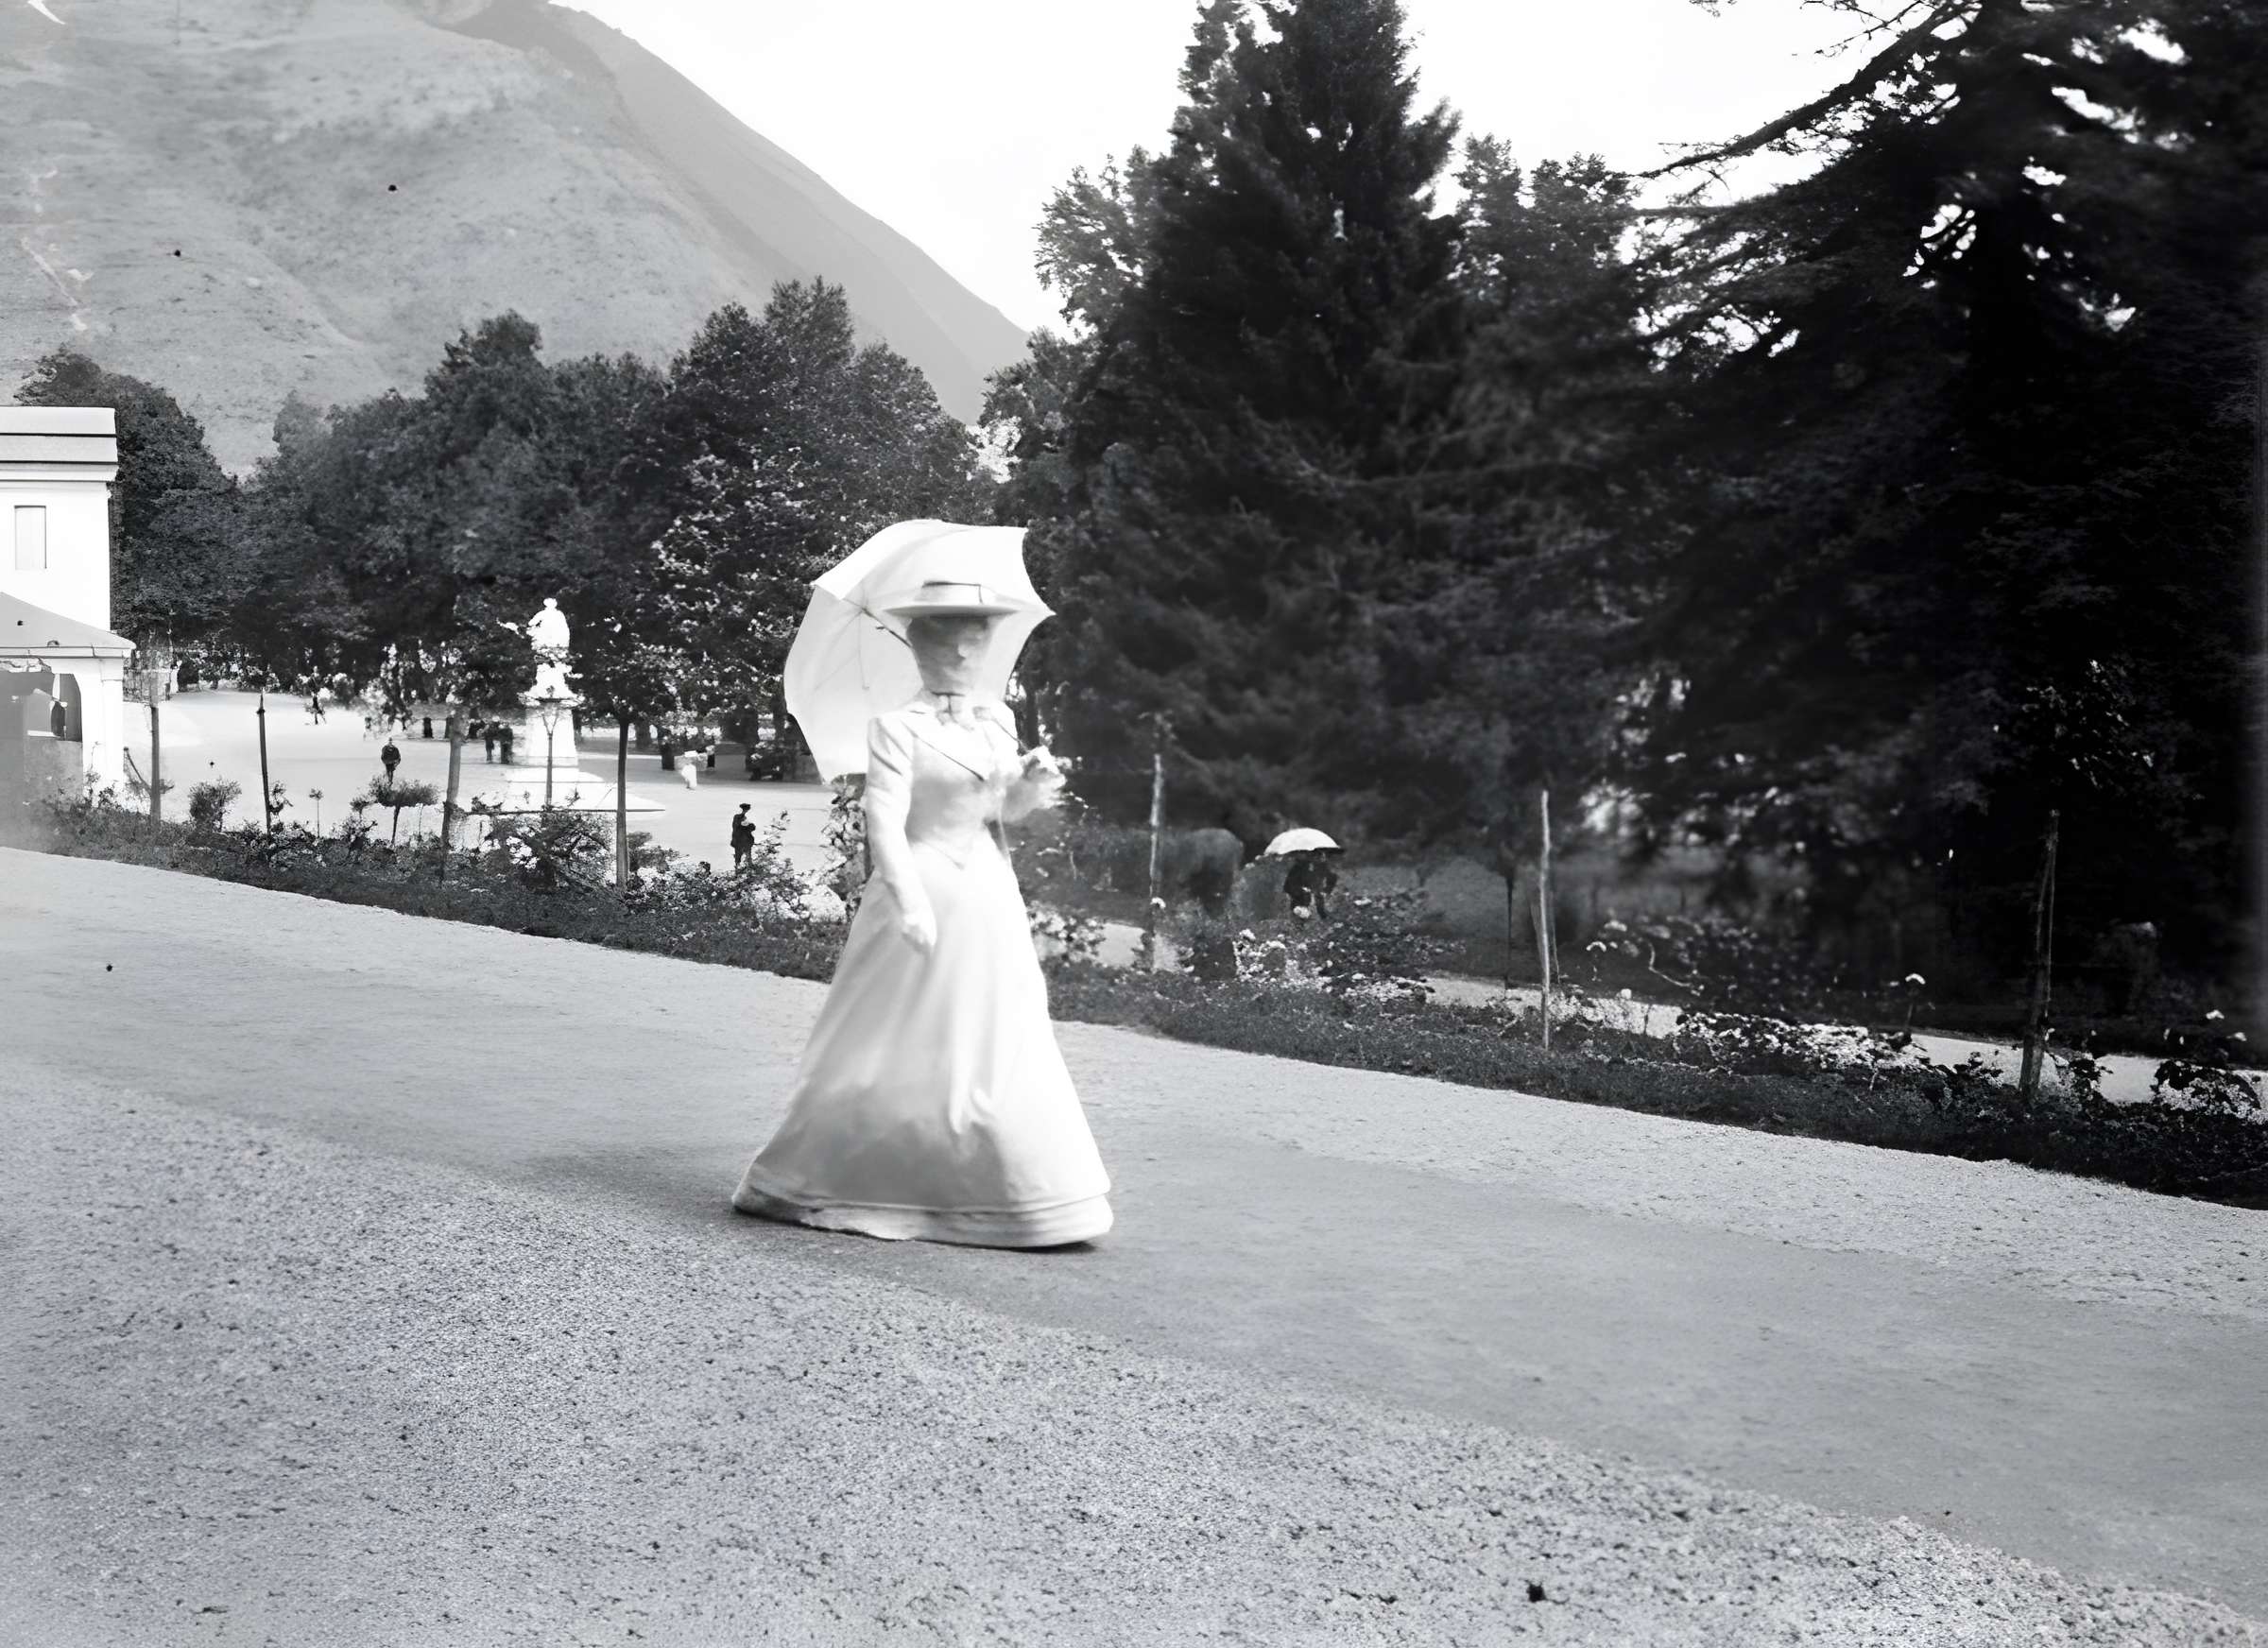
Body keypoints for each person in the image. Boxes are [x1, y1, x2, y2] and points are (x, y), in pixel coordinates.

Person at [731, 584, 1110, 1248]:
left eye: (974, 640)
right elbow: (884, 822)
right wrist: (909, 903)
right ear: (919, 649)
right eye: (946, 641)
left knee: (999, 1029)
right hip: (925, 883)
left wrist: (1033, 784)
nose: (962, 653)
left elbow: (1003, 815)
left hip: (989, 891)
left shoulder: (999, 721)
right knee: (893, 1032)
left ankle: (1013, 1182)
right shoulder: (896, 727)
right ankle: (828, 1171)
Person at [731, 803, 756, 873]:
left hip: (744, 842)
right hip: (740, 842)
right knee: (739, 859)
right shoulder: (737, 818)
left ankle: (746, 871)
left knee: (746, 858)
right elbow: (740, 826)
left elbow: (751, 828)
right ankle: (739, 871)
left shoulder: (740, 818)